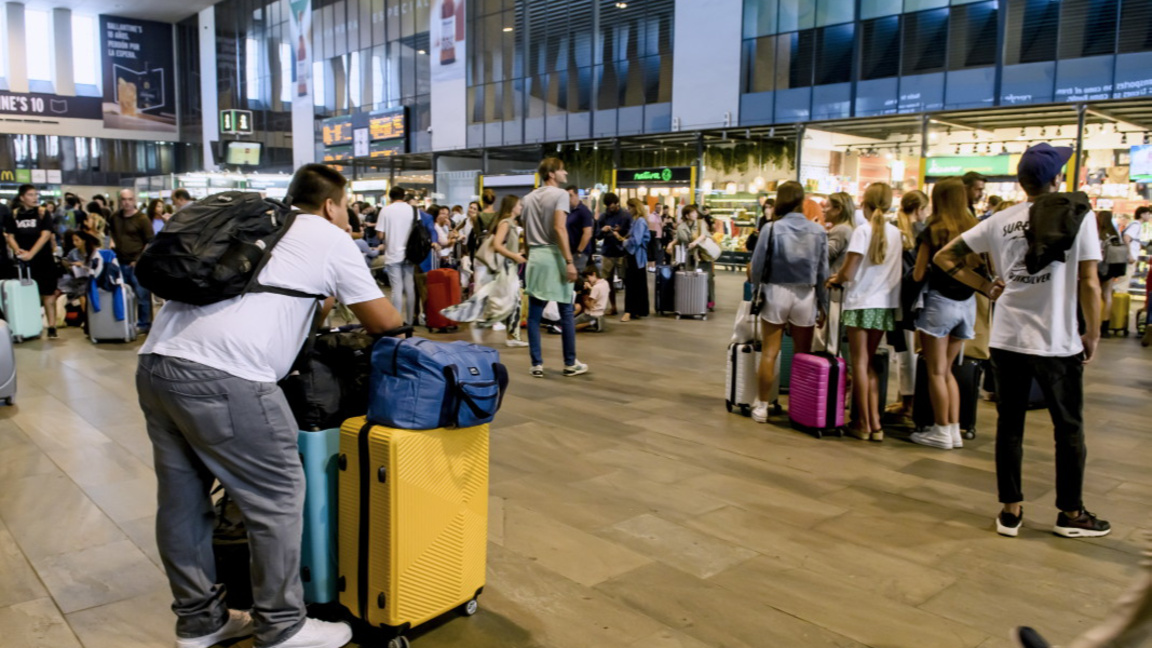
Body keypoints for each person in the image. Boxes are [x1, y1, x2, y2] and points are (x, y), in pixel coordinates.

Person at [137, 164, 402, 648]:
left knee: (182, 501)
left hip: (158, 363)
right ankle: (284, 625)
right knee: (277, 497)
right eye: (345, 209)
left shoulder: (261, 225)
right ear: (331, 204)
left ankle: (200, 622)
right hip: (227, 377)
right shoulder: (329, 235)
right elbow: (384, 320)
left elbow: (291, 304)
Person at [934, 142, 1109, 539]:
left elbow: (945, 257)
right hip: (1057, 342)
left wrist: (985, 286)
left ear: (1021, 182)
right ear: (1056, 180)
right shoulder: (1079, 218)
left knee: (1009, 426)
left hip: (1008, 337)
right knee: (1069, 429)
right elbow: (1089, 283)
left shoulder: (1000, 221)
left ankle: (1010, 511)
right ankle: (1070, 512)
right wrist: (1093, 333)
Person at [908, 179, 984, 450]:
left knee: (936, 372)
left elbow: (917, 273)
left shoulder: (934, 230)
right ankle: (953, 430)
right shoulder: (975, 228)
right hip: (967, 304)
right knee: (949, 371)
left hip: (940, 303)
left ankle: (941, 430)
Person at [749, 181, 829, 424]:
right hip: (806, 294)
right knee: (802, 355)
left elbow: (758, 266)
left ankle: (762, 406)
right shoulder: (818, 231)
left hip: (776, 291)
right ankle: (801, 406)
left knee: (770, 353)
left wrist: (755, 294)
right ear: (801, 200)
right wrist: (823, 305)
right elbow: (823, 272)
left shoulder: (771, 229)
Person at [827, 182, 901, 442]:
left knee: (859, 363)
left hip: (860, 303)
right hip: (885, 305)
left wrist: (835, 279)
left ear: (865, 204)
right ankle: (874, 424)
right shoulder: (896, 234)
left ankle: (863, 423)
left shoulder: (862, 231)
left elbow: (848, 272)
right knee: (869, 364)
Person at [524, 157, 587, 378]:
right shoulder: (560, 195)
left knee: (534, 315)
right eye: (562, 170)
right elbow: (559, 228)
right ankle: (570, 363)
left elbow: (525, 233)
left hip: (535, 257)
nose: (566, 173)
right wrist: (569, 261)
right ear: (552, 174)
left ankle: (536, 364)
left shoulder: (528, 198)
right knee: (566, 311)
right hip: (554, 255)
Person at [886, 189, 930, 424]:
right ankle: (909, 404)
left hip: (895, 298)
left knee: (903, 352)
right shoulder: (923, 233)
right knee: (911, 354)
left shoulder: (893, 230)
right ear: (919, 209)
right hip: (916, 301)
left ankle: (906, 402)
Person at [3, 185, 60, 338]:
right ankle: (30, 325)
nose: (34, 197)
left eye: (36, 194)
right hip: (24, 262)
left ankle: (52, 326)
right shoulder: (13, 215)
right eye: (30, 195)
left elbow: (46, 235)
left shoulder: (42, 213)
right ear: (22, 197)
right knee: (28, 294)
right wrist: (18, 250)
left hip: (43, 259)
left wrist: (32, 253)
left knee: (48, 294)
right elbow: (10, 236)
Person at [109, 189, 156, 331]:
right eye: (124, 199)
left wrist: (138, 259)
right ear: (120, 201)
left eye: (129, 199)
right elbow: (111, 233)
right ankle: (126, 323)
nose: (127, 202)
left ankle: (144, 324)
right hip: (119, 262)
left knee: (142, 297)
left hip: (137, 264)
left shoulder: (142, 219)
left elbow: (150, 241)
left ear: (134, 200)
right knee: (122, 297)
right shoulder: (115, 217)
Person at [376, 185, 417, 325]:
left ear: (390, 197)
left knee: (396, 289)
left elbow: (380, 234)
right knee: (410, 288)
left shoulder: (385, 210)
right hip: (410, 254)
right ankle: (410, 321)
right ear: (404, 196)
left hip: (393, 254)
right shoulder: (412, 210)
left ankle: (397, 322)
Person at [615, 198, 650, 322]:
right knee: (637, 284)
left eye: (629, 208)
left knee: (631, 284)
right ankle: (637, 310)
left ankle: (629, 311)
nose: (627, 210)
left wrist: (624, 241)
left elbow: (636, 241)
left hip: (635, 256)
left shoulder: (639, 221)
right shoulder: (637, 221)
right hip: (636, 256)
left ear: (635, 208)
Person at [596, 193, 631, 315]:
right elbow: (597, 235)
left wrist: (621, 235)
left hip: (622, 252)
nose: (610, 208)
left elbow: (631, 233)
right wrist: (602, 230)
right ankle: (613, 307)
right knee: (607, 281)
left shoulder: (626, 216)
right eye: (608, 206)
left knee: (627, 280)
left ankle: (629, 309)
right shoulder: (603, 217)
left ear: (617, 203)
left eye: (612, 206)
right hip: (607, 253)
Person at [58, 230, 101, 326]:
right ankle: (87, 319)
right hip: (78, 279)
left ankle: (90, 319)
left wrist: (83, 265)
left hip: (92, 278)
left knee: (83, 291)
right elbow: (67, 263)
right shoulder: (73, 253)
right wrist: (69, 265)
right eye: (73, 240)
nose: (74, 243)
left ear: (84, 240)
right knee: (81, 291)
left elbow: (96, 267)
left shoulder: (94, 252)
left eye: (77, 240)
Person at [1096, 210, 1126, 337]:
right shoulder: (1115, 234)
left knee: (1095, 295)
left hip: (1098, 267)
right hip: (1111, 267)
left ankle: (1094, 323)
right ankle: (1105, 326)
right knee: (1107, 296)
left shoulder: (1098, 234)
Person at [565, 185, 594, 272]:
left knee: (577, 278)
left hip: (579, 253)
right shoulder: (568, 211)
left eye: (570, 195)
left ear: (577, 195)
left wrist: (579, 251)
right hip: (570, 252)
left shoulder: (583, 211)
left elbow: (588, 233)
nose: (568, 199)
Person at [575, 265, 608, 331]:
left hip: (591, 314)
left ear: (594, 274)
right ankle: (594, 322)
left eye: (588, 277)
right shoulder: (605, 283)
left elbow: (590, 306)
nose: (588, 280)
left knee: (570, 326)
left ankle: (592, 323)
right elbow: (599, 293)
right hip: (600, 312)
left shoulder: (595, 288)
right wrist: (590, 288)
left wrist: (585, 299)